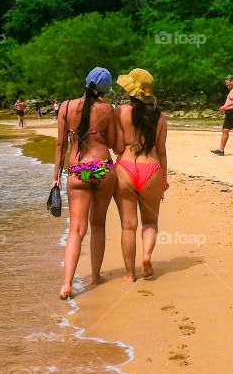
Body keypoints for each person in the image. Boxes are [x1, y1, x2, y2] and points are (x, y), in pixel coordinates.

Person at [54, 67, 119, 300]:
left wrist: (55, 178)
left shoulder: (65, 107)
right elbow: (112, 143)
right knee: (98, 225)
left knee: (76, 229)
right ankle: (96, 276)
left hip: (77, 169)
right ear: (105, 89)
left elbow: (61, 145)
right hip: (102, 168)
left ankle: (66, 284)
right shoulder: (107, 109)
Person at [114, 68, 168, 283]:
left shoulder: (120, 111)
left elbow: (118, 146)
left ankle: (129, 275)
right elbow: (161, 151)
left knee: (128, 226)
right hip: (151, 168)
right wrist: (164, 179)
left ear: (131, 91)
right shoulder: (160, 116)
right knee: (150, 222)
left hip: (126, 166)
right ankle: (146, 256)